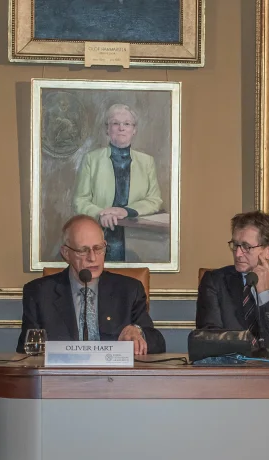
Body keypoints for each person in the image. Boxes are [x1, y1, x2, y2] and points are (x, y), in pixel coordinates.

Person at [18, 215, 164, 354]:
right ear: (66, 253)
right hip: (59, 378)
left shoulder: (129, 290)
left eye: (98, 248)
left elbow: (157, 343)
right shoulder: (39, 293)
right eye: (83, 251)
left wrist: (138, 331)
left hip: (116, 378)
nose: (92, 258)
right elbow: (26, 350)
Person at [73, 104, 164, 262]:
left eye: (127, 124)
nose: (121, 128)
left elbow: (155, 200)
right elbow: (80, 200)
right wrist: (101, 214)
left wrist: (126, 211)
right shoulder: (91, 159)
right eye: (115, 123)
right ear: (107, 129)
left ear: (134, 130)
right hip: (99, 234)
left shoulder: (147, 161)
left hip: (136, 237)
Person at [196, 211, 269, 342]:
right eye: (235, 245)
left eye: (247, 247)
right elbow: (209, 338)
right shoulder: (214, 282)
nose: (237, 254)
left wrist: (265, 293)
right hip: (228, 362)